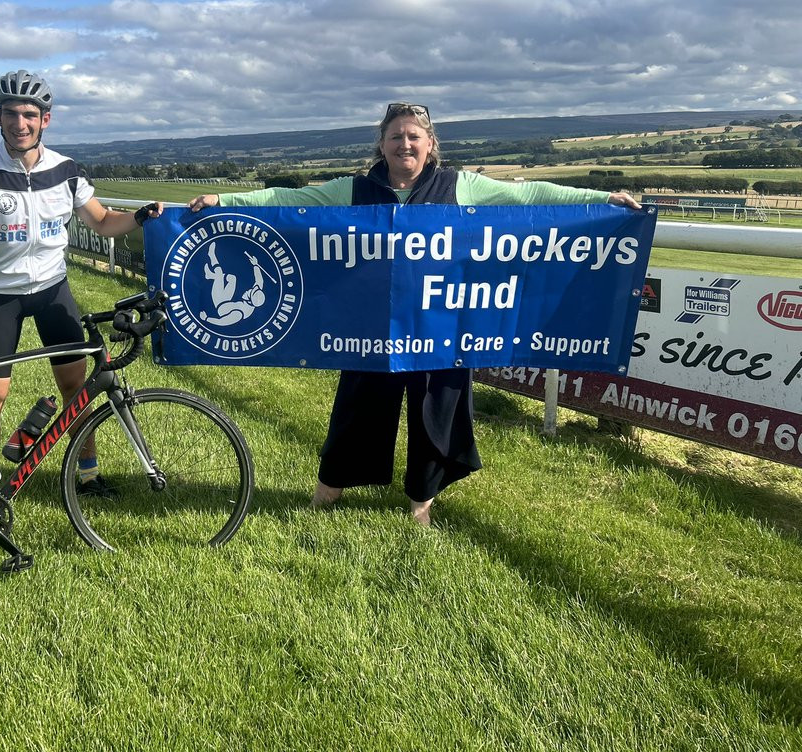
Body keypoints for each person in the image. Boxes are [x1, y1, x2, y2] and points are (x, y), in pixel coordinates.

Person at [188, 102, 641, 526]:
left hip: (440, 326)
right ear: (381, 144)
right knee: (357, 409)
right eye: (395, 137)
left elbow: (530, 197)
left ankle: (421, 501)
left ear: (430, 144)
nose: (404, 144)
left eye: (413, 137)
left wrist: (602, 199)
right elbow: (289, 199)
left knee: (435, 413)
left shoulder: (460, 185)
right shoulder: (354, 189)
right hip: (370, 327)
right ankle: (329, 489)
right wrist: (224, 202)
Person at [0, 69, 161, 496]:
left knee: (76, 388)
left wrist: (140, 216)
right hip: (2, 297)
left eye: (29, 115)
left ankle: (88, 475)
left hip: (54, 293)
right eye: (10, 114)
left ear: (45, 120)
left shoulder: (66, 171)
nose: (19, 123)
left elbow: (102, 221)